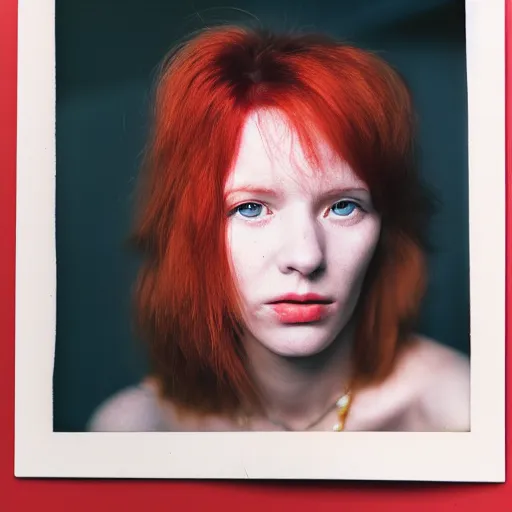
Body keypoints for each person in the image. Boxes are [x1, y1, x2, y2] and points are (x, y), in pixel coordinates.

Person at [88, 25, 470, 432]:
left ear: (387, 227)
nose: (305, 258)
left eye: (343, 206)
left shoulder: (456, 413)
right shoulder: (134, 431)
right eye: (250, 208)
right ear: (190, 233)